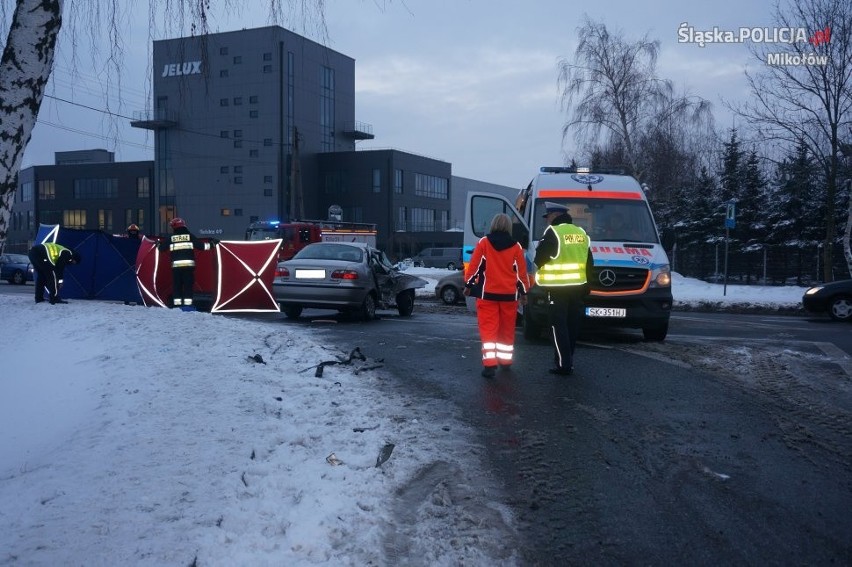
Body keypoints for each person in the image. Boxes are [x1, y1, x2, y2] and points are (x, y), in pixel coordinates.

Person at [464, 213, 531, 378]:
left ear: (493, 225)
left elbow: (475, 267)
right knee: (507, 330)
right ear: (509, 227)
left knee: (488, 331)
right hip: (509, 296)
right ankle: (505, 361)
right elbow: (521, 274)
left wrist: (468, 285)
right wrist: (523, 293)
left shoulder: (484, 243)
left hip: (487, 295)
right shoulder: (516, 247)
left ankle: (489, 365)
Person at [533, 202, 594, 376]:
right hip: (577, 287)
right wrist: (587, 285)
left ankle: (563, 363)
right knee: (572, 325)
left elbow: (539, 259)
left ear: (554, 216)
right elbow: (589, 262)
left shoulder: (553, 232)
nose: (547, 221)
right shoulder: (581, 233)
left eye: (548, 217)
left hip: (557, 288)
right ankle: (568, 359)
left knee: (557, 326)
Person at [159, 217, 217, 311]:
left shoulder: (171, 238)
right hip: (188, 268)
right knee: (188, 286)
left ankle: (177, 306)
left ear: (174, 227)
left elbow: (161, 249)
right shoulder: (189, 236)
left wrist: (158, 244)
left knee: (177, 286)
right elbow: (202, 247)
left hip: (176, 269)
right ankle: (187, 307)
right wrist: (213, 244)